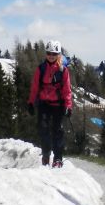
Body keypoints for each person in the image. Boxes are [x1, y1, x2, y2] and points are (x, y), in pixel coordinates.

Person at [26, 39, 73, 167]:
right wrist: (31, 102)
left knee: (58, 132)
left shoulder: (63, 70)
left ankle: (58, 159)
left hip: (58, 105)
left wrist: (68, 106)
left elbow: (67, 90)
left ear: (58, 55)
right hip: (44, 104)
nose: (51, 56)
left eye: (54, 53)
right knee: (43, 129)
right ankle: (46, 154)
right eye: (49, 53)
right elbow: (35, 87)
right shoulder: (41, 69)